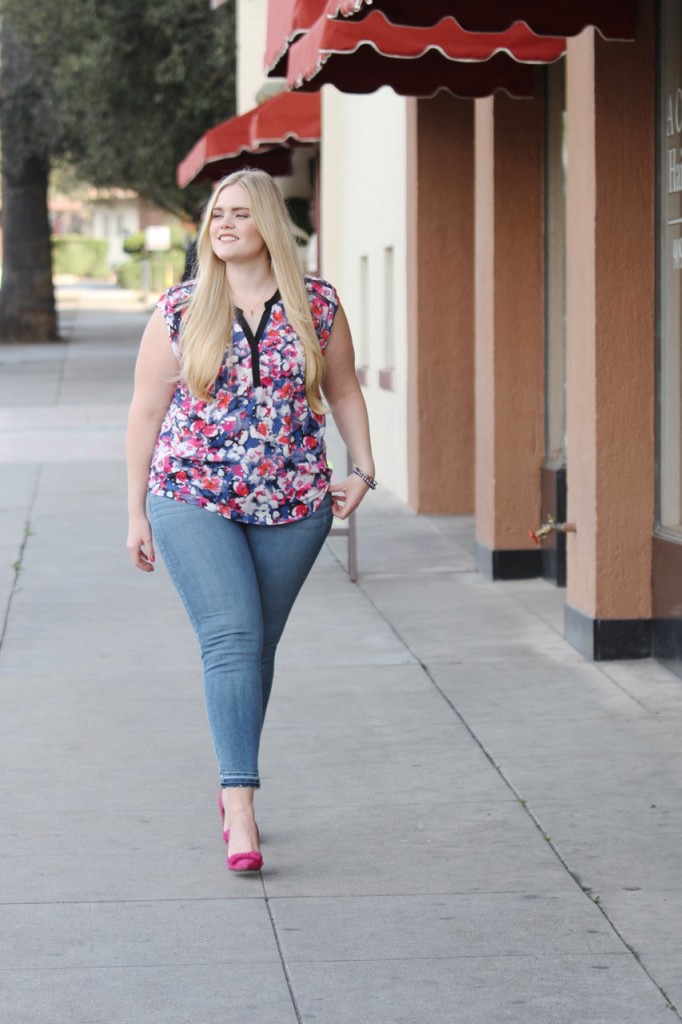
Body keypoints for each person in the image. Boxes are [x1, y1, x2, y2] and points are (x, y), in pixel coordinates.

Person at [126, 169, 375, 874]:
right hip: (191, 494)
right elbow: (146, 411)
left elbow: (344, 388)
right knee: (231, 638)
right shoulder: (179, 309)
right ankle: (240, 803)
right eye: (216, 216)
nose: (224, 225)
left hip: (293, 504)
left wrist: (363, 468)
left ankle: (234, 776)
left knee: (256, 647)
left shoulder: (317, 306)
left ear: (268, 222)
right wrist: (135, 510)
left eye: (239, 213)